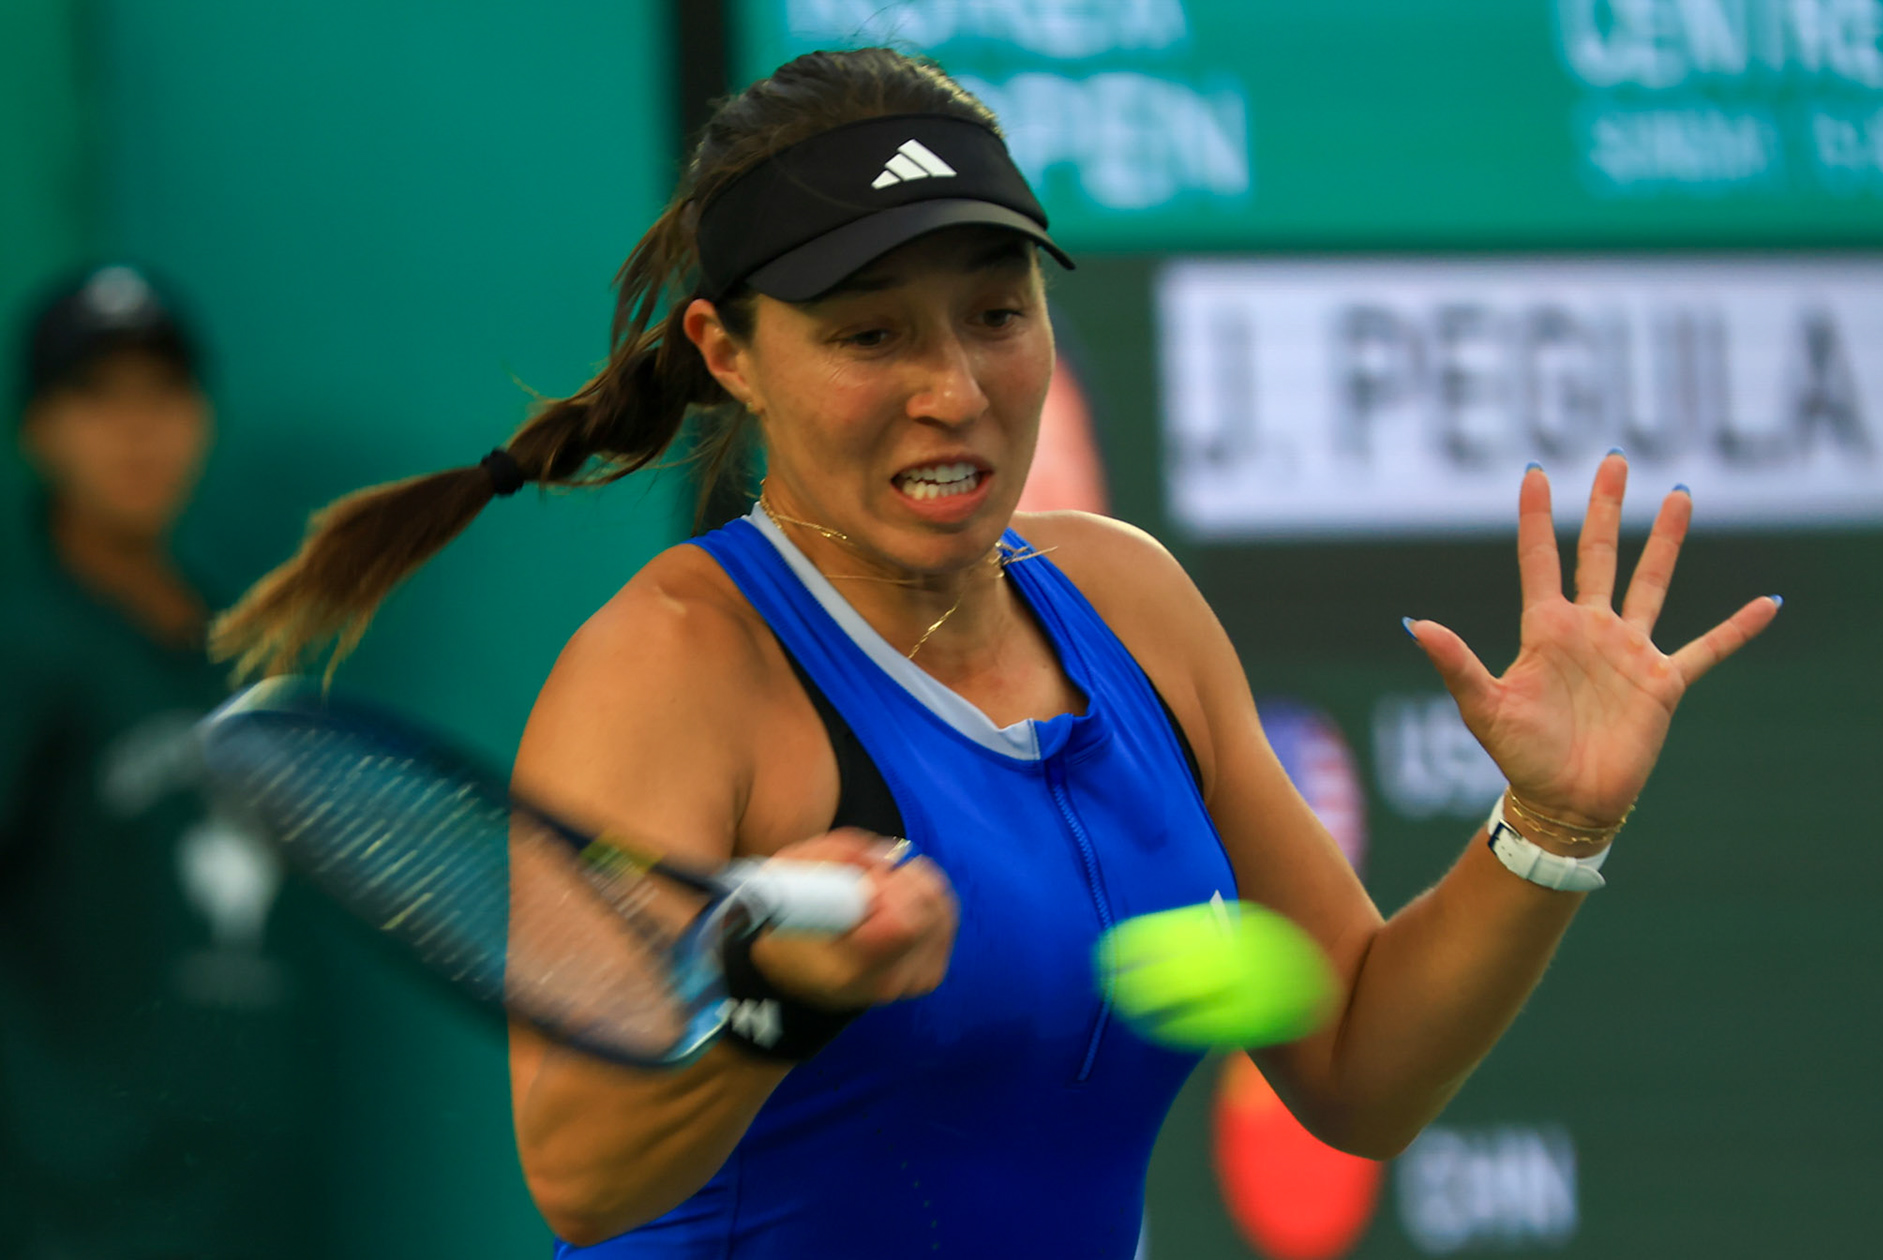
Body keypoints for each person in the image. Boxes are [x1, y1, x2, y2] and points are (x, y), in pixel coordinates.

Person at [209, 49, 1779, 1258]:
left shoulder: (1131, 604)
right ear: (729, 356)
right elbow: (582, 1170)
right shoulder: (675, 669)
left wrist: (1553, 829)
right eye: (872, 333)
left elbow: (1361, 1068)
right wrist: (777, 1003)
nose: (956, 386)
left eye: (995, 310)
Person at [0, 265, 329, 1259]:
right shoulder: (23, 638)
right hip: (71, 1217)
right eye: (95, 398)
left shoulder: (242, 649)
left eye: (162, 395)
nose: (136, 431)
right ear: (37, 431)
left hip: (243, 1204)